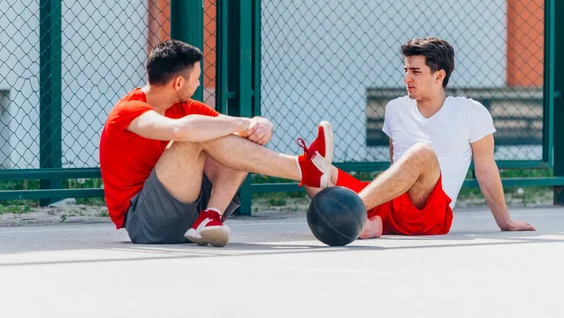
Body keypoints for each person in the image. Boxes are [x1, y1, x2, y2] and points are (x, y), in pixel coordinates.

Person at [99, 39, 335, 247]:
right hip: (146, 222)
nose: (199, 85)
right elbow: (180, 130)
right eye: (197, 79)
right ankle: (303, 169)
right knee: (192, 138)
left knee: (229, 133)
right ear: (179, 83)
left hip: (187, 208)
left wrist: (258, 124)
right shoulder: (129, 110)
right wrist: (241, 124)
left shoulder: (183, 107)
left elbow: (231, 126)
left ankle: (210, 217)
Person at [304, 37, 535, 237]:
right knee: (315, 167)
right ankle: (364, 224)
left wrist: (505, 221)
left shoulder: (471, 112)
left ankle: (352, 213)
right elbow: (396, 166)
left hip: (430, 216)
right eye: (406, 70)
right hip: (390, 204)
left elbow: (485, 171)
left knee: (422, 153)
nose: (407, 78)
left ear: (439, 76)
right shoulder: (395, 108)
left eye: (415, 71)